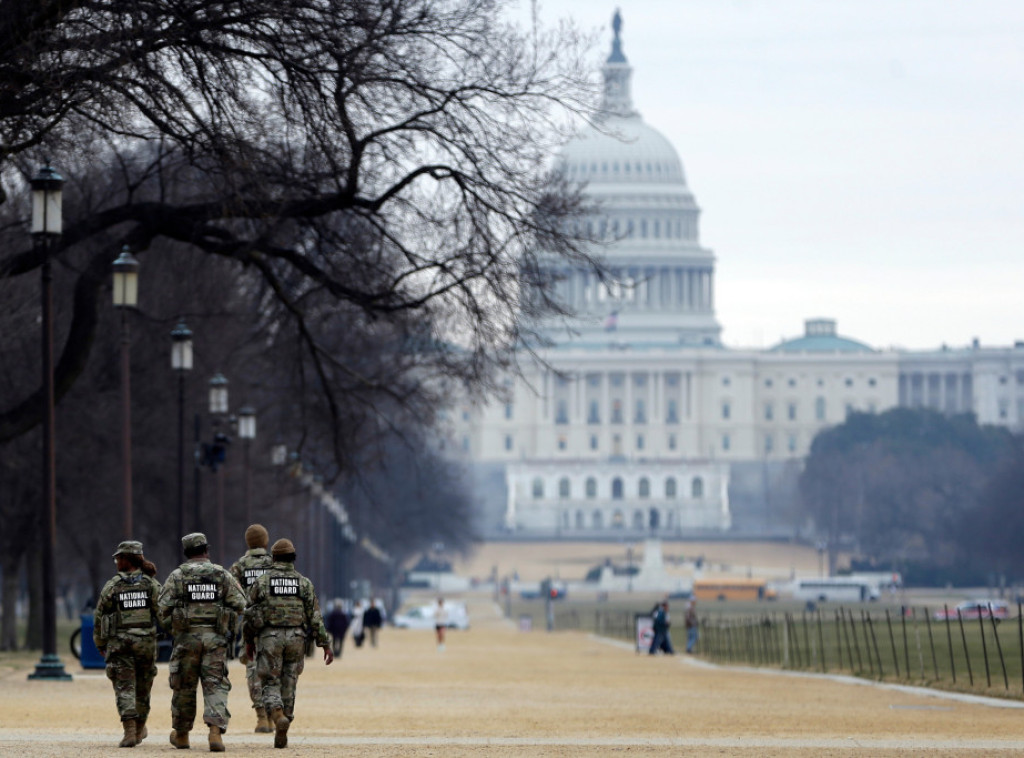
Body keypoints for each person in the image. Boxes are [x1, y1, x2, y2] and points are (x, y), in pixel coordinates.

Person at [158, 532, 247, 752]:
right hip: (215, 639)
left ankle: (182, 735)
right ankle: (215, 733)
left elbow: (161, 608)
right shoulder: (221, 574)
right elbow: (241, 603)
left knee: (183, 686)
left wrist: (174, 627)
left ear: (186, 553)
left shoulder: (177, 576)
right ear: (206, 550)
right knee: (215, 684)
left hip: (186, 639)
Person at [243, 538, 333, 749]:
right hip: (296, 638)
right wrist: (325, 644)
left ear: (273, 558)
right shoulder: (304, 583)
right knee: (290, 681)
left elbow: (249, 614)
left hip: (269, 637)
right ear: (293, 558)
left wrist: (248, 640)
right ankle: (286, 720)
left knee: (269, 681)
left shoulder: (262, 582)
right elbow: (315, 617)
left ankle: (277, 714)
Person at [94, 540, 161, 748]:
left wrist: (100, 643)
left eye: (118, 559)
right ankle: (139, 728)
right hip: (145, 644)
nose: (116, 562)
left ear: (127, 560)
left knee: (124, 687)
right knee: (143, 687)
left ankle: (130, 731)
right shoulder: (151, 584)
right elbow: (163, 612)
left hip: (120, 644)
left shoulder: (113, 585)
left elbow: (99, 616)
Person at [228, 524, 274, 733]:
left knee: (253, 670)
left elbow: (231, 594)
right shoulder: (274, 563)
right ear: (265, 541)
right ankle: (274, 713)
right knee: (274, 669)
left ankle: (261, 717)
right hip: (273, 625)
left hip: (250, 625)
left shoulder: (239, 566)